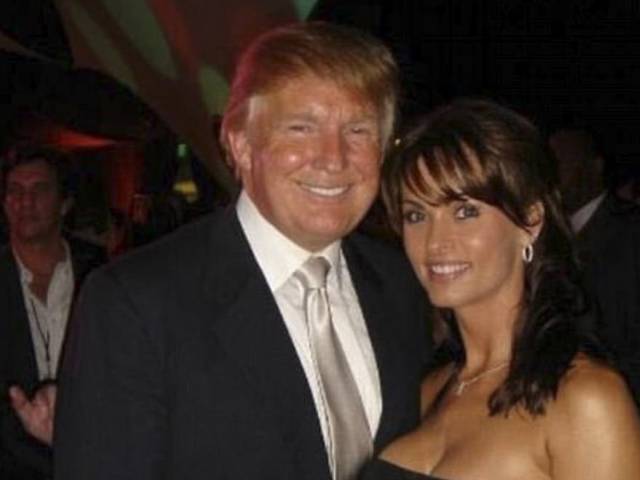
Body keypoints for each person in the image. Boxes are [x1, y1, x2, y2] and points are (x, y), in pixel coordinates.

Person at [54, 21, 431, 480]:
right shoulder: (136, 303)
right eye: (301, 127)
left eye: (358, 130)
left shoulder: (400, 283)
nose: (333, 157)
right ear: (241, 145)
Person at [361, 99, 640, 479]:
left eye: (465, 212)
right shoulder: (429, 388)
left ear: (529, 221)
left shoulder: (586, 398)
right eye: (416, 215)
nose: (434, 241)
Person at [549, 126, 640, 459]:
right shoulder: (546, 242)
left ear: (595, 167)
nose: (553, 174)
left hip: (632, 421)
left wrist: (610, 372)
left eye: (562, 161)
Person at [0, 145, 105, 479]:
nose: (25, 202)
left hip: (90, 458)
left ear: (64, 203)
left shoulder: (99, 273)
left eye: (39, 190)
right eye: (15, 191)